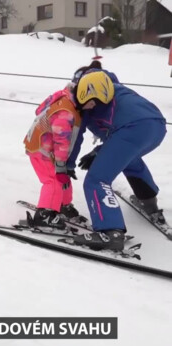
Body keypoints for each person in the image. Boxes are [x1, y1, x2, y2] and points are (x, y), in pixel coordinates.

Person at [70, 71, 167, 251]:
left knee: (97, 179)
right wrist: (100, 150)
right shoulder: (116, 89)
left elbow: (77, 136)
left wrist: (68, 164)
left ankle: (110, 232)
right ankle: (148, 202)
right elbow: (121, 125)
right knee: (129, 159)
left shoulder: (86, 103)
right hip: (157, 128)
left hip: (132, 131)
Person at [23, 87, 85, 230]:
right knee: (54, 180)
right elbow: (61, 141)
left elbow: (39, 110)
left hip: (49, 151)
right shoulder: (65, 112)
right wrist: (61, 165)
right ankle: (45, 214)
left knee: (64, 178)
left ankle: (63, 205)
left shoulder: (66, 99)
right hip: (42, 151)